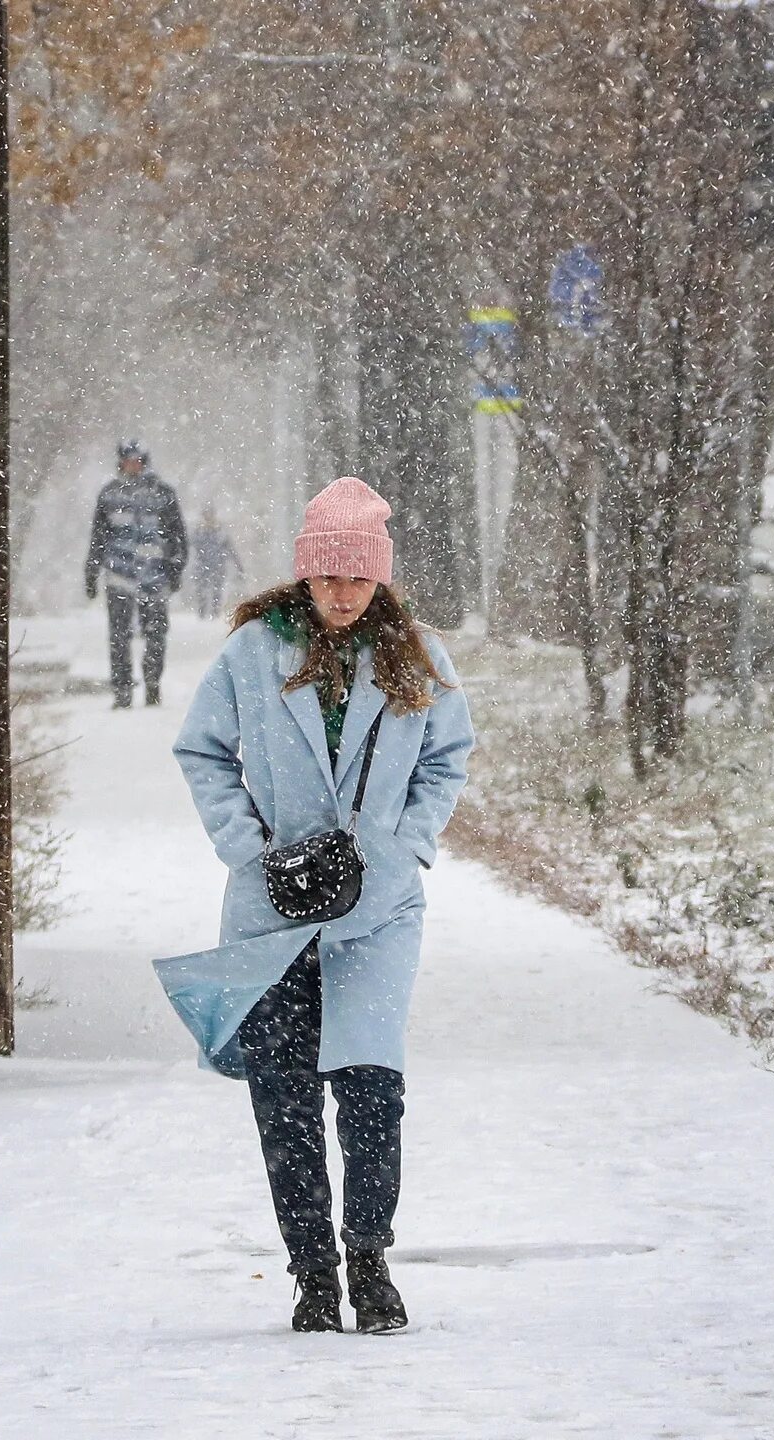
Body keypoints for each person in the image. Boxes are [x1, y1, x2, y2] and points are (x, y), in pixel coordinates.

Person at [158, 476, 475, 1335]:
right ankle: (311, 1274)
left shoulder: (418, 657)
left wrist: (404, 846)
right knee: (285, 1101)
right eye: (329, 577)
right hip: (272, 909)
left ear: (380, 579)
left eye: (358, 579)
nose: (343, 595)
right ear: (305, 575)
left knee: (373, 1089)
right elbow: (203, 752)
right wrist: (250, 848)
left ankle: (370, 1260)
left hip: (377, 909)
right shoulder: (253, 653)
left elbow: (449, 758)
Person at [84, 440, 187, 707]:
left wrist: (175, 567)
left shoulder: (163, 494)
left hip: (155, 578)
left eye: (137, 460)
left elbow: (178, 535)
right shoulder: (109, 495)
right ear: (120, 462)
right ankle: (122, 690)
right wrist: (92, 571)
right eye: (128, 460)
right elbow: (98, 537)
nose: (132, 466)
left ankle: (152, 684)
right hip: (119, 577)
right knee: (118, 636)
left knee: (155, 634)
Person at [191, 506, 242, 621]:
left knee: (216, 589)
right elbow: (191, 546)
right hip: (202, 565)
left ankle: (214, 611)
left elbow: (230, 548)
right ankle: (202, 610)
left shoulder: (220, 531)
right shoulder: (199, 530)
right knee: (202, 589)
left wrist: (238, 564)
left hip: (217, 565)